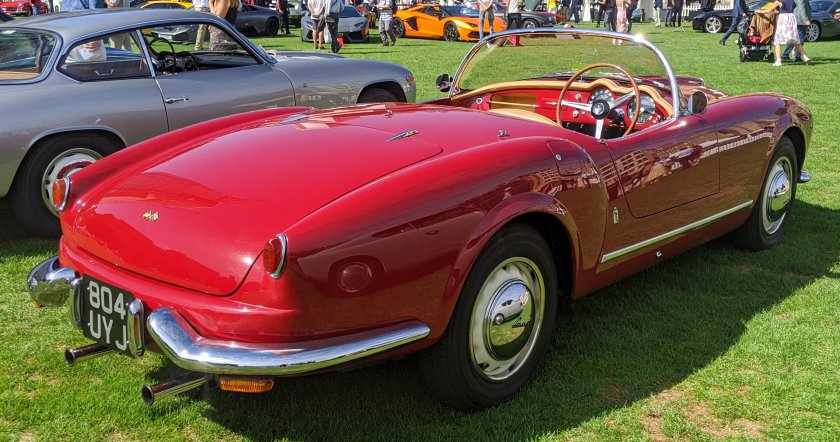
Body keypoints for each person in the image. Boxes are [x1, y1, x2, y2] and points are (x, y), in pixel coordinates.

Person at [758, 0, 811, 65]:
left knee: (778, 41)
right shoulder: (792, 1)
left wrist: (759, 11)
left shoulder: (778, 1)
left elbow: (768, 10)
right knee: (795, 40)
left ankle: (778, 61)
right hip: (791, 18)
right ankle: (805, 57)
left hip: (783, 19)